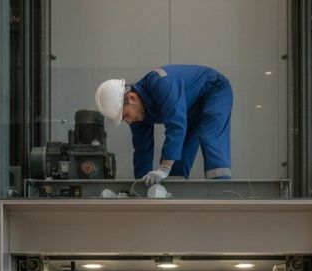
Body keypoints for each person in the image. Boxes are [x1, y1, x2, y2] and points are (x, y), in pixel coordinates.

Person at [95, 65, 233, 184]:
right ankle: (176, 197)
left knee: (210, 137)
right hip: (189, 108)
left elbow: (176, 124)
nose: (129, 121)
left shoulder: (161, 83)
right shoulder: (137, 115)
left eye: (125, 116)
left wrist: (164, 167)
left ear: (131, 98)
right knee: (177, 162)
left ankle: (222, 192)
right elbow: (143, 149)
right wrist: (140, 184)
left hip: (214, 90)